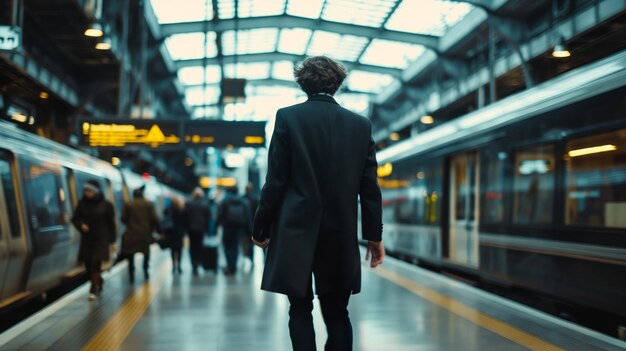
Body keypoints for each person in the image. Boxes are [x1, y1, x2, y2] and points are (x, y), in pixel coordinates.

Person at [251, 56, 385, 351]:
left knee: (299, 310)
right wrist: (374, 237)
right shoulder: (360, 125)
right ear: (337, 84)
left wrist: (261, 227)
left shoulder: (287, 118)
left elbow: (275, 181)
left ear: (303, 83)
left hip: (295, 233)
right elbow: (370, 189)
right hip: (340, 235)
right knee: (338, 313)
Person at [71, 180, 116, 301]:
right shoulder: (81, 204)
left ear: (95, 192)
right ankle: (99, 281)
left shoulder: (106, 205)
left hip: (101, 239)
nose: (87, 193)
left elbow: (111, 224)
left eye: (89, 191)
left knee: (95, 265)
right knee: (88, 267)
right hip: (87, 240)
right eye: (85, 190)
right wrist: (81, 225)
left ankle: (93, 290)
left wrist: (112, 242)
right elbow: (75, 219)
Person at [121, 187, 160, 283]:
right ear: (142, 195)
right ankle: (146, 271)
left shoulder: (128, 204)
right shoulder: (149, 204)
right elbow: (155, 219)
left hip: (131, 233)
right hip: (145, 234)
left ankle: (131, 274)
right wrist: (152, 230)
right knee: (146, 253)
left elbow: (123, 219)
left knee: (130, 255)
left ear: (133, 195)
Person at [218, 187, 251, 276]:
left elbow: (220, 214)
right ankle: (234, 267)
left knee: (227, 247)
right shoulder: (243, 201)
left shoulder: (225, 201)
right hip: (238, 227)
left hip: (227, 227)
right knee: (235, 247)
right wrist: (249, 229)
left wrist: (218, 224)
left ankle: (230, 267)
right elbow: (247, 216)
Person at [185, 187, 211, 276]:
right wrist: (207, 229)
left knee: (192, 246)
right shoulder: (205, 204)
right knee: (199, 246)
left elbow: (186, 216)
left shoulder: (189, 203)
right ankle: (198, 262)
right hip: (201, 229)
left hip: (191, 229)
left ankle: (193, 264)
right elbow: (208, 218)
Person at [163, 197, 186, 274]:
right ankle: (179, 266)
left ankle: (173, 266)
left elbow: (164, 220)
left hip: (171, 232)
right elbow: (185, 222)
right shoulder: (182, 210)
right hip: (179, 233)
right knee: (179, 250)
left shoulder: (167, 210)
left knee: (172, 250)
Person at [242, 183, 259, 264]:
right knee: (252, 241)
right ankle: (251, 257)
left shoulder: (242, 198)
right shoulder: (255, 199)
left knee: (244, 241)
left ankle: (246, 255)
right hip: (253, 223)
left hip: (243, 223)